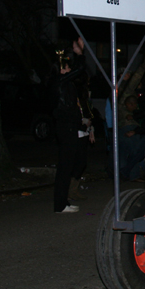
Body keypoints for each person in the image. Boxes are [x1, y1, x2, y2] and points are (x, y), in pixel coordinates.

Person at [51, 38, 85, 213]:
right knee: (65, 167)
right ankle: (60, 204)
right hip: (66, 127)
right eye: (66, 67)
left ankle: (63, 201)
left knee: (69, 165)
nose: (69, 69)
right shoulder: (60, 82)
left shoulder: (66, 84)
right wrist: (79, 54)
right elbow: (80, 69)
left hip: (69, 126)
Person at [69, 71, 95, 200]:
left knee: (81, 161)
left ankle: (73, 189)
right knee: (77, 161)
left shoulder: (85, 97)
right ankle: (70, 189)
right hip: (76, 130)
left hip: (84, 130)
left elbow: (88, 112)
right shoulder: (75, 96)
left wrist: (91, 129)